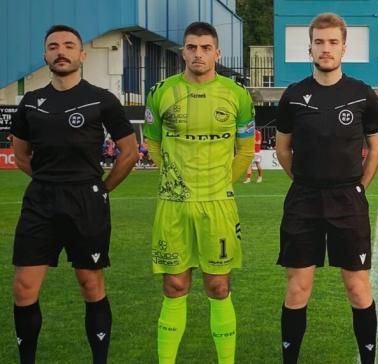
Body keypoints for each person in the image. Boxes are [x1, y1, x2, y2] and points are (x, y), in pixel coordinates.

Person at [9, 25, 138, 364]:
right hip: (40, 202)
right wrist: (48, 181)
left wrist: (102, 189)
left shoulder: (101, 99)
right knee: (23, 287)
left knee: (90, 284)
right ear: (45, 55)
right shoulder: (31, 101)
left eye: (68, 45)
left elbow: (129, 152)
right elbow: (20, 153)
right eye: (53, 46)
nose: (60, 51)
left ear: (82, 55)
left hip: (86, 201)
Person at [143, 21, 255, 364]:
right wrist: (177, 182)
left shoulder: (237, 95)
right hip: (173, 206)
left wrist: (220, 185)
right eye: (192, 47)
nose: (199, 54)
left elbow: (246, 151)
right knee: (174, 286)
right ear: (183, 52)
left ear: (217, 53)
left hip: (218, 205)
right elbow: (153, 145)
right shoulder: (161, 92)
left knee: (218, 287)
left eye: (206, 48)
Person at [275, 12, 378, 364]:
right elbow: (282, 149)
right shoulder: (293, 96)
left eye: (333, 42)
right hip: (304, 200)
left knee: (357, 287)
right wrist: (306, 182)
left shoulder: (362, 95)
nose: (326, 49)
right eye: (319, 42)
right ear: (310, 47)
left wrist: (358, 187)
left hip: (347, 200)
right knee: (298, 288)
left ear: (344, 47)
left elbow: (376, 148)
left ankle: (368, 359)